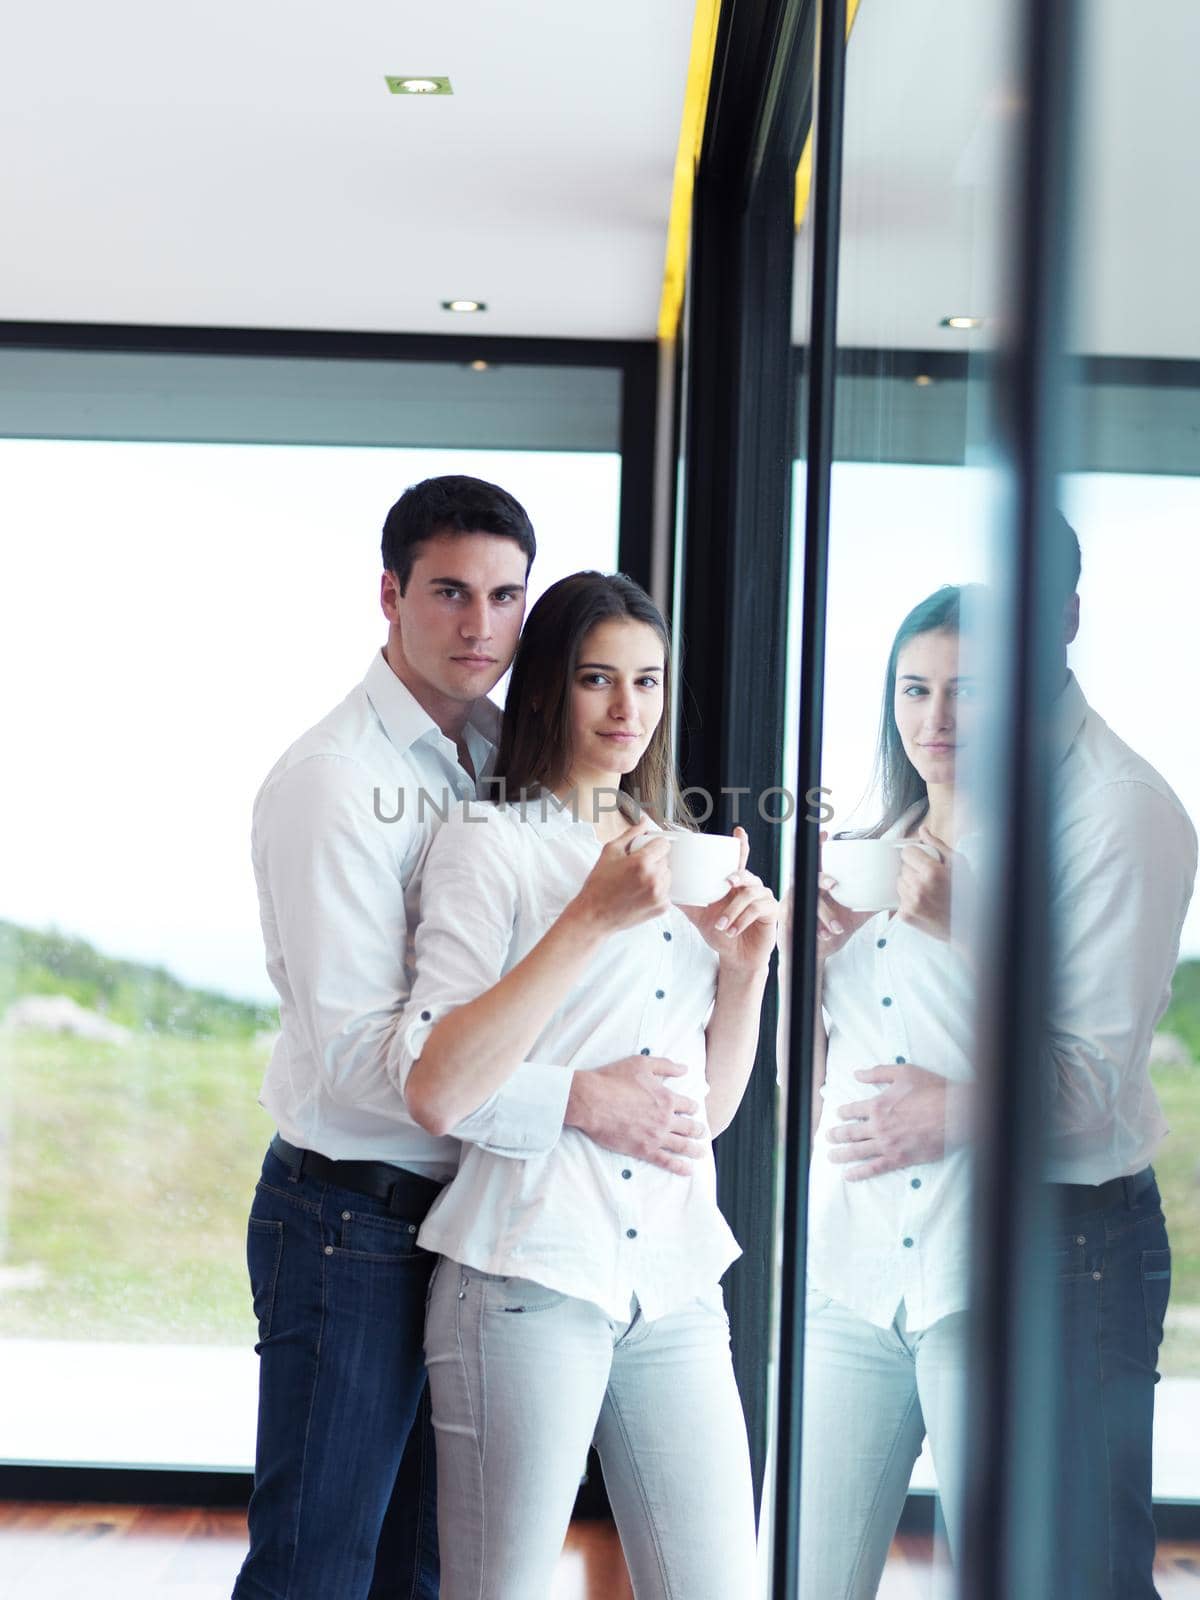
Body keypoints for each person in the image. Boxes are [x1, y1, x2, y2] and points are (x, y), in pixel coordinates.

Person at [232, 481, 709, 1600]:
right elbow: (362, 1061)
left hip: (472, 1228)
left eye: (504, 596)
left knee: (424, 1569)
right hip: (352, 1217)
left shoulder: (504, 752)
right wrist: (581, 1099)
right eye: (448, 592)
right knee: (319, 1560)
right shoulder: (333, 784)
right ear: (389, 595)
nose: (478, 625)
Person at [816, 523, 1196, 1600]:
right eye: (916, 690)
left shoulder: (1123, 811)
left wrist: (943, 1104)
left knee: (1067, 1578)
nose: (939, 716)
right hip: (861, 1264)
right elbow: (832, 1062)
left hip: (1047, 1253)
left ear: (1068, 618)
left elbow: (1086, 1089)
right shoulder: (890, 826)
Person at [393, 571, 777, 1600]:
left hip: (678, 1285)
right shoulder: (489, 845)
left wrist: (745, 976)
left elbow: (705, 1118)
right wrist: (588, 927)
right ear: (549, 689)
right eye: (597, 678)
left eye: (647, 681)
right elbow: (437, 1084)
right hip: (525, 1278)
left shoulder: (683, 857)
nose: (626, 709)